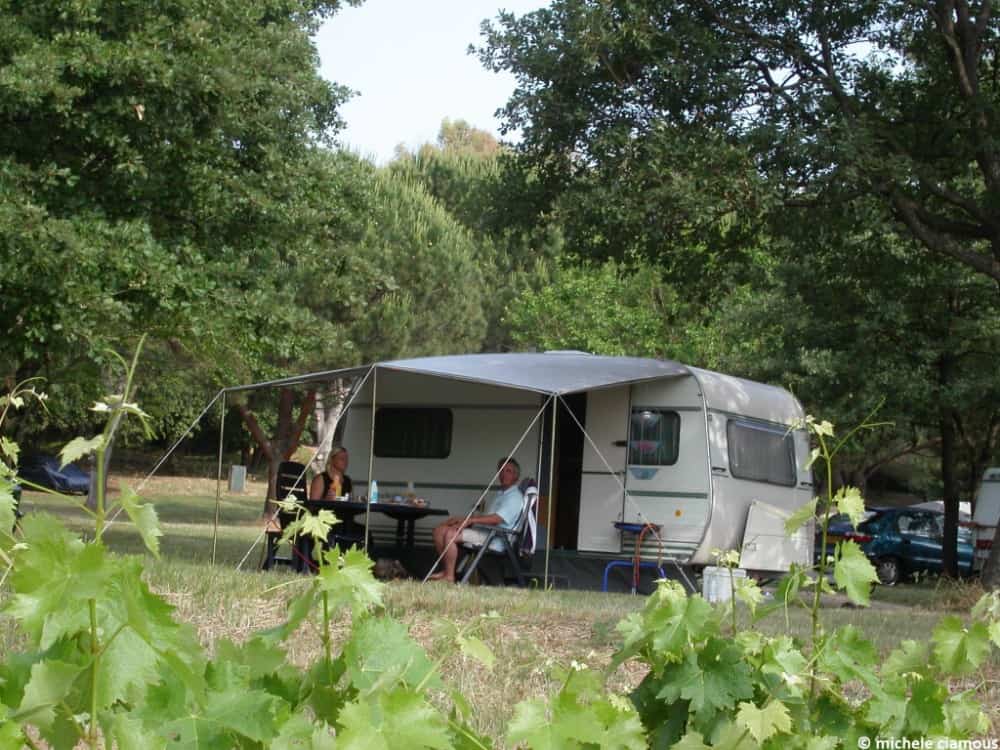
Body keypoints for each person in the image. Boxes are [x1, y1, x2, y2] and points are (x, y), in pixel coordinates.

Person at [429, 457, 524, 582]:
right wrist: (463, 519)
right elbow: (488, 517)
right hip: (485, 532)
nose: (503, 474)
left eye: (508, 471)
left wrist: (471, 521)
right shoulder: (502, 494)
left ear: (516, 476)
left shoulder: (515, 497)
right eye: (501, 470)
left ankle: (449, 576)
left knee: (450, 534)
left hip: (496, 538)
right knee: (439, 531)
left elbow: (497, 519)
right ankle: (446, 570)